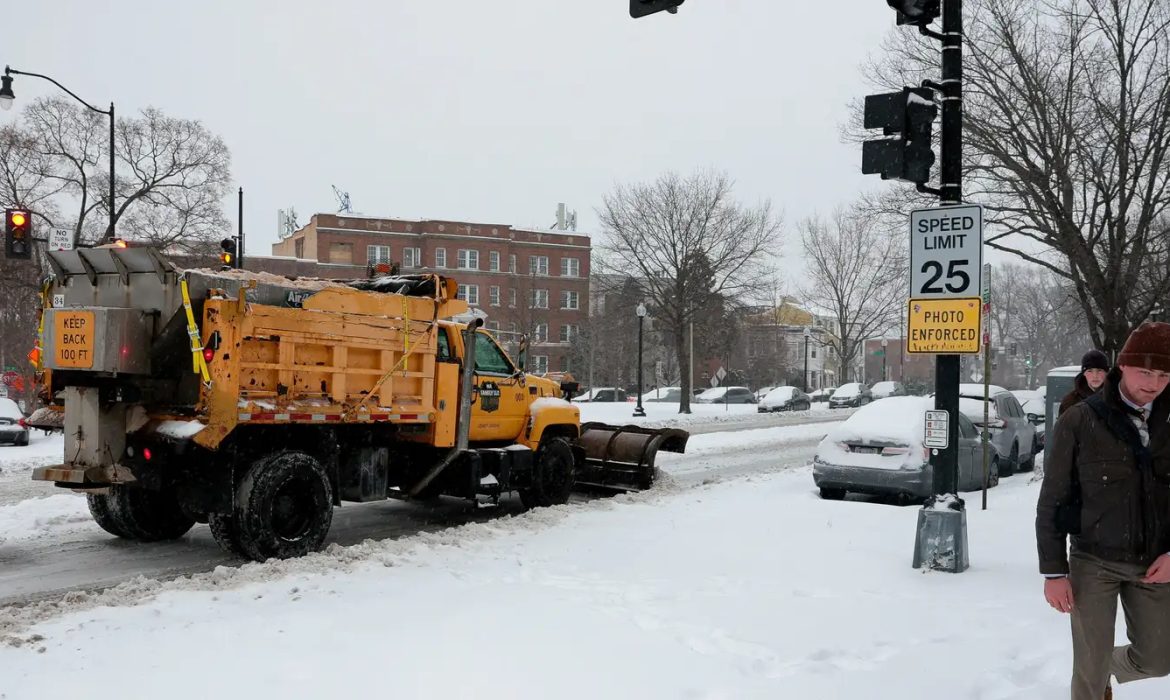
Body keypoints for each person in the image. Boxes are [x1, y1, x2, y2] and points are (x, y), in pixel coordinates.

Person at [1037, 322, 1170, 700]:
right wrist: (1053, 572)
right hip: (1093, 559)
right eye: (1145, 371)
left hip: (1154, 562)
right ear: (1122, 366)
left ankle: (1100, 663)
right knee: (1089, 679)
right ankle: (1092, 669)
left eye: (1163, 374)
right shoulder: (1080, 419)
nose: (1153, 382)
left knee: (1159, 659)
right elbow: (1052, 499)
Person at [1059, 349, 1110, 414]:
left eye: (1099, 370)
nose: (1095, 376)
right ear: (1084, 374)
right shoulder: (1070, 402)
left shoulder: (1116, 399)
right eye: (1090, 371)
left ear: (1106, 372)